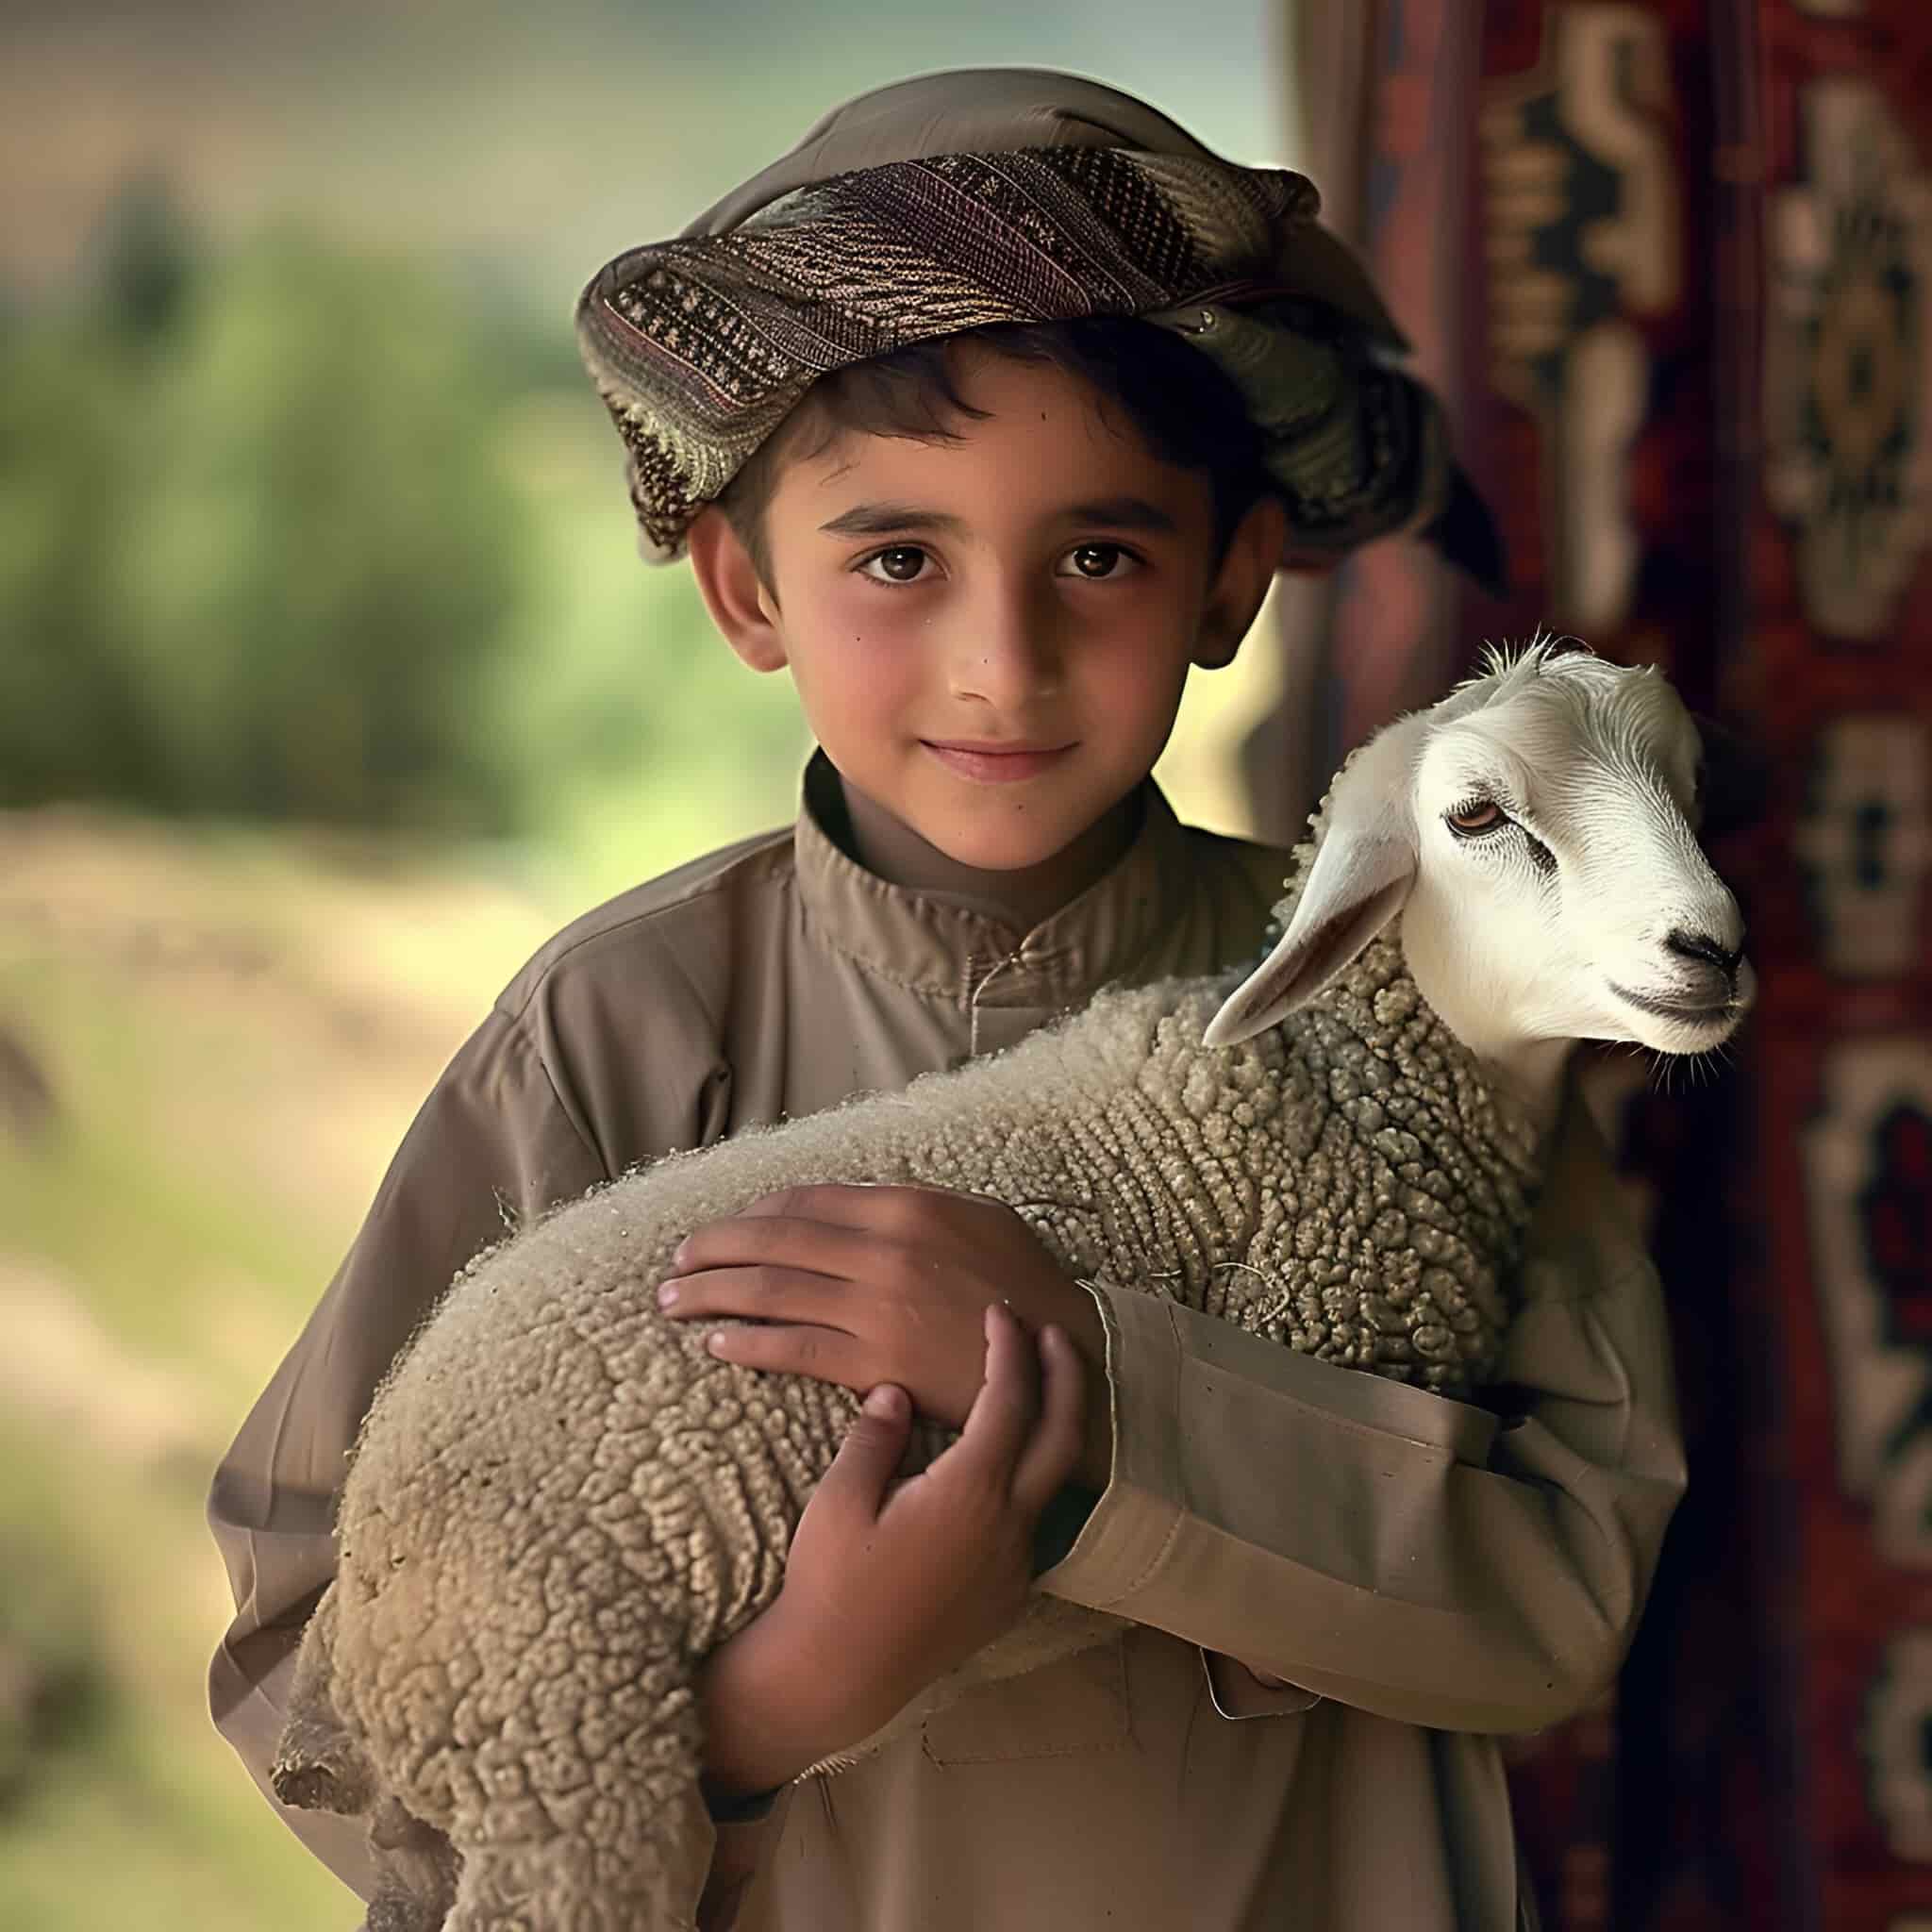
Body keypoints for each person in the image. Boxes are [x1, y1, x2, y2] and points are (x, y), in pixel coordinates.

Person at [207, 69, 1685, 1932]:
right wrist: (767, 1713)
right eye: (899, 557)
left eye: (1099, 555)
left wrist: (1103, 1405)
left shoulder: (1435, 998)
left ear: (1230, 580)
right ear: (746, 589)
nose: (1002, 660)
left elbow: (1560, 1585)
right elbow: (312, 1645)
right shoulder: (618, 1030)